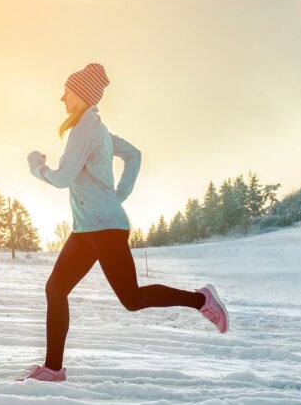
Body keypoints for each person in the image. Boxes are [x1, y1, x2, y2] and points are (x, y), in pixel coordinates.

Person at [19, 63, 229, 382]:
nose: (62, 98)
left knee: (131, 298)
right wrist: (121, 193)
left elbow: (62, 178)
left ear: (82, 94)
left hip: (104, 229)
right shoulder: (96, 129)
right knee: (56, 288)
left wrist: (37, 166)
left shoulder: (85, 130)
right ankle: (53, 368)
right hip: (89, 228)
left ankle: (202, 299)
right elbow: (134, 154)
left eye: (67, 91)